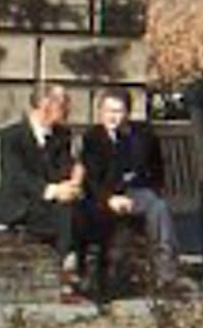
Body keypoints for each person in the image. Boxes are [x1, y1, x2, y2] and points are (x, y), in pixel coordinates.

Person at [0, 82, 92, 302]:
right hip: (22, 204)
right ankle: (67, 275)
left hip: (53, 203)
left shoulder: (62, 134)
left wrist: (74, 181)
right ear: (46, 104)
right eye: (64, 104)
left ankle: (77, 270)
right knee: (66, 212)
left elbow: (65, 167)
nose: (68, 109)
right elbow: (16, 177)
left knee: (81, 208)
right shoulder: (12, 137)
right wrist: (52, 190)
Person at [78, 89, 183, 292]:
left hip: (135, 193)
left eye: (118, 111)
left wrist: (152, 189)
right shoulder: (93, 138)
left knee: (158, 206)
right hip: (103, 196)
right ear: (100, 112)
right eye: (108, 111)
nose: (112, 116)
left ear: (127, 113)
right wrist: (109, 198)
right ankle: (96, 276)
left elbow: (156, 168)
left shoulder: (142, 135)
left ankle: (166, 275)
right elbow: (91, 180)